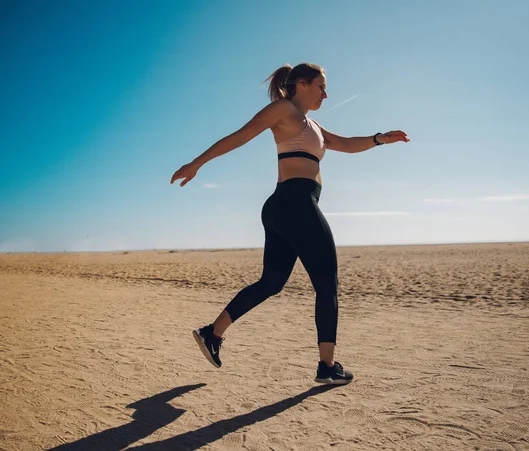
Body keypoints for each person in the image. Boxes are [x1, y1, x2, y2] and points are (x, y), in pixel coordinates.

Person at [170, 62, 409, 385]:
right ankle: (328, 366)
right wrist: (197, 163)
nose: (326, 93)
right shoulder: (283, 110)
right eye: (321, 86)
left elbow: (348, 144)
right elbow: (241, 136)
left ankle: (212, 334)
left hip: (284, 207)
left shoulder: (313, 125)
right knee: (327, 284)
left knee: (271, 282)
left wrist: (380, 138)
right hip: (296, 203)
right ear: (301, 84)